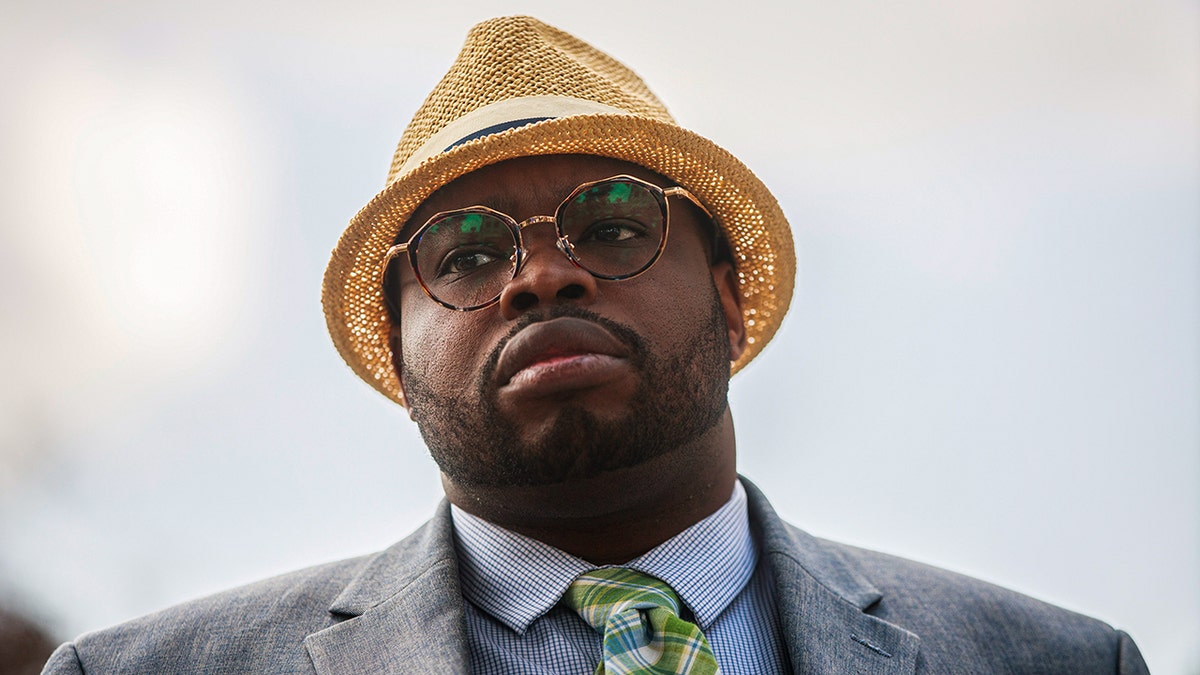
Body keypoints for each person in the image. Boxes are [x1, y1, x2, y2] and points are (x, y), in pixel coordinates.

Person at [44, 15, 1148, 674]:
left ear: (730, 297)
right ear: (396, 351)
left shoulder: (1053, 662)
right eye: (465, 256)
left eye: (615, 226)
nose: (542, 272)